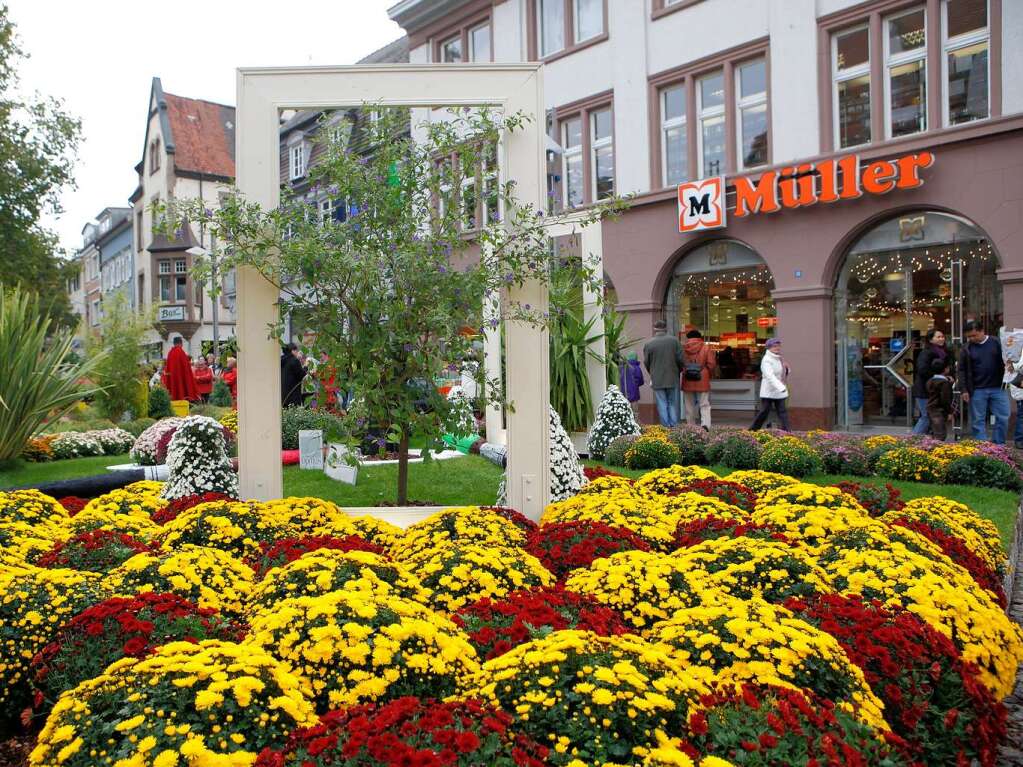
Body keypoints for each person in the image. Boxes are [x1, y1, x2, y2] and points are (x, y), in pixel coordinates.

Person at [958, 320, 1010, 444]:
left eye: (974, 335)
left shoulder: (997, 342)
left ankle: (999, 445)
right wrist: (964, 389)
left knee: (1003, 417)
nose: (971, 338)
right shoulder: (966, 348)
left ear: (982, 331)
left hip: (998, 387)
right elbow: (961, 370)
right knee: (977, 420)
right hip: (976, 389)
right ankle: (982, 447)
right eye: (968, 336)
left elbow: (1008, 359)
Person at [643, 320, 684, 427]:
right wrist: (677, 371)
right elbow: (681, 360)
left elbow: (646, 362)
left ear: (654, 328)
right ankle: (674, 426)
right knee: (672, 403)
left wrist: (653, 372)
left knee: (662, 403)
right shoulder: (674, 341)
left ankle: (665, 427)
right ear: (666, 328)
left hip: (657, 378)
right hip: (672, 377)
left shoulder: (649, 344)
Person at [911, 329, 947, 435]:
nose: (942, 339)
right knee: (926, 416)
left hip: (933, 390)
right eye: (938, 337)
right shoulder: (926, 353)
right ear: (931, 340)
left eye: (942, 336)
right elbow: (922, 370)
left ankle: (926, 442)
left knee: (930, 417)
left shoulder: (942, 352)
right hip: (924, 390)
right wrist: (939, 376)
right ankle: (912, 440)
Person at [750, 338, 791, 431]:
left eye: (778, 346)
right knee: (764, 412)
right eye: (774, 346)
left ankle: (788, 432)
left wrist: (787, 369)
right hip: (769, 390)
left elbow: (783, 372)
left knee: (782, 412)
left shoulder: (779, 358)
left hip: (779, 390)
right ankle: (752, 430)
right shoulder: (766, 360)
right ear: (769, 348)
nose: (777, 348)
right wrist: (781, 387)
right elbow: (770, 376)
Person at [681, 330, 716, 429]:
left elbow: (680, 363)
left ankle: (691, 426)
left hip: (687, 378)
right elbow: (711, 364)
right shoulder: (706, 347)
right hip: (702, 377)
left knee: (689, 404)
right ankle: (705, 425)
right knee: (704, 403)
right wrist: (707, 372)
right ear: (700, 337)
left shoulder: (684, 348)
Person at [162, 337, 199, 402]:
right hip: (181, 378)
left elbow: (167, 368)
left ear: (174, 343)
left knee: (174, 392)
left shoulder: (170, 353)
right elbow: (186, 369)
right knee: (182, 392)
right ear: (181, 343)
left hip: (172, 378)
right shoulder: (181, 352)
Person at [926, 357, 954, 441]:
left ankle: (930, 448)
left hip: (930, 408)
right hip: (939, 409)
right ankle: (935, 452)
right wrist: (949, 412)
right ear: (945, 369)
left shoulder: (930, 381)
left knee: (934, 432)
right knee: (940, 434)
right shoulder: (944, 383)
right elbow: (945, 399)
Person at [281, 343, 308, 408]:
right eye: (297, 351)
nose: (297, 353)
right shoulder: (294, 360)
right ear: (293, 351)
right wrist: (306, 367)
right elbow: (301, 375)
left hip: (283, 395)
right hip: (293, 394)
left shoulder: (281, 360)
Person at [619, 351, 644, 417]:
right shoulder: (636, 368)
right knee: (635, 412)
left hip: (623, 393)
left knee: (625, 412)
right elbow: (641, 380)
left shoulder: (621, 367)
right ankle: (635, 425)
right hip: (634, 394)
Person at [1007, 354, 1023, 449]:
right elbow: (1014, 366)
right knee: (1022, 416)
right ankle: (1020, 440)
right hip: (1020, 389)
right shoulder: (1016, 349)